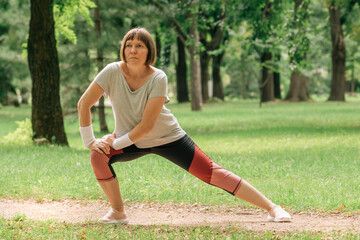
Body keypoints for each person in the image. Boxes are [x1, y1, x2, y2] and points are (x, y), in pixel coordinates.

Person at [77, 27, 291, 224]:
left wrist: (115, 141)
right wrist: (90, 142)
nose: (133, 50)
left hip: (167, 137)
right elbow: (84, 104)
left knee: (212, 173)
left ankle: (272, 208)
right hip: (130, 139)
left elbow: (147, 125)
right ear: (123, 49)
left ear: (149, 51)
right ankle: (118, 212)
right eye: (128, 45)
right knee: (98, 155)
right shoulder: (111, 71)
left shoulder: (158, 77)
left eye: (139, 46)